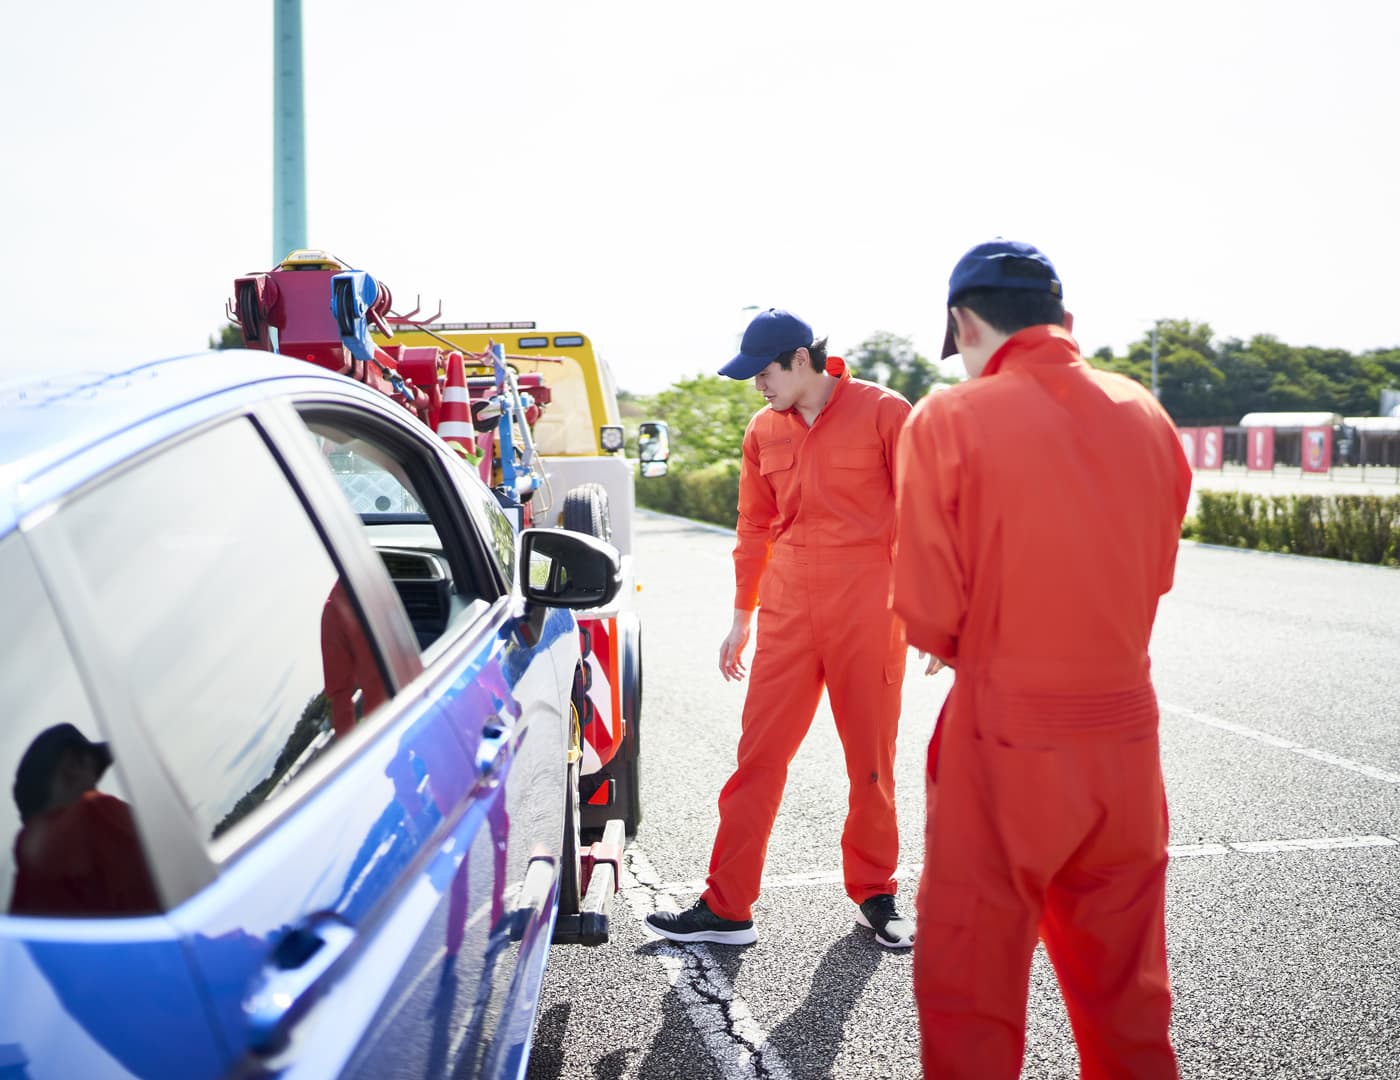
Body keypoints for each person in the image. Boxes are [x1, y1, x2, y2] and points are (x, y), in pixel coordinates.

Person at [893, 240, 1191, 1077]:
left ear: (964, 322)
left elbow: (927, 610)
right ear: (1065, 319)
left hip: (1008, 736)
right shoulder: (1144, 412)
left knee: (972, 993)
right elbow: (1155, 576)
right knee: (1129, 999)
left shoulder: (951, 417)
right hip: (1128, 739)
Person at [645, 308, 915, 948]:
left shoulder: (885, 412)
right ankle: (727, 906)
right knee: (757, 759)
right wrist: (742, 616)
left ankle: (877, 894)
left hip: (869, 609)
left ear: (801, 359)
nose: (756, 386)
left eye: (763, 372)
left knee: (870, 763)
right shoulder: (762, 429)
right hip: (789, 613)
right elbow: (753, 526)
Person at [9, 723, 160, 916]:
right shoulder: (95, 815)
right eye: (92, 775)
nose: (96, 790)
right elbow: (181, 870)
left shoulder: (23, 900)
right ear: (71, 766)